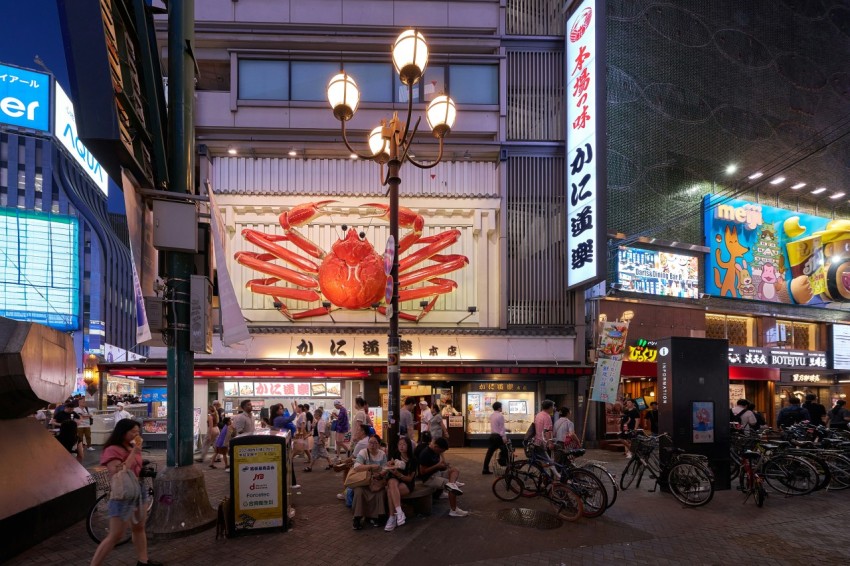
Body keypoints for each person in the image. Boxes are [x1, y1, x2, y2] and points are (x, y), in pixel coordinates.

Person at [91, 418, 162, 566]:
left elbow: (135, 467)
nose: (137, 434)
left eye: (138, 431)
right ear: (122, 432)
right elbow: (118, 471)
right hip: (123, 493)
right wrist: (135, 451)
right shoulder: (112, 449)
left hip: (138, 490)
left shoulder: (131, 446)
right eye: (133, 431)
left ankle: (143, 561)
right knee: (116, 535)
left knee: (139, 527)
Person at [418, 437, 468, 517]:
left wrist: (443, 466)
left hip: (437, 473)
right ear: (436, 447)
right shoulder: (425, 453)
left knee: (454, 470)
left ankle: (452, 484)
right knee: (452, 488)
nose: (441, 453)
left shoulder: (435, 451)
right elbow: (422, 472)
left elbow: (438, 466)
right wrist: (437, 466)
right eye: (441, 451)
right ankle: (454, 510)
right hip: (429, 478)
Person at [351, 435, 389, 530]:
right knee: (359, 492)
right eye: (370, 442)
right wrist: (371, 467)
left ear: (379, 444)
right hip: (364, 481)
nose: (372, 445)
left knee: (380, 492)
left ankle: (377, 517)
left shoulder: (382, 454)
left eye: (375, 443)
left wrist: (380, 474)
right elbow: (357, 466)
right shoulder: (363, 452)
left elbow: (385, 468)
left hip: (376, 481)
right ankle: (357, 518)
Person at [383, 434, 416, 532]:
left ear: (408, 446)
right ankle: (399, 511)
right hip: (395, 481)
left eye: (404, 444)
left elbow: (410, 479)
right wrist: (390, 464)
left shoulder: (413, 460)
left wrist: (398, 474)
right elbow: (390, 465)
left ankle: (392, 517)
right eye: (399, 444)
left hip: (407, 483)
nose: (401, 446)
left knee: (390, 491)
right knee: (392, 482)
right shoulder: (396, 455)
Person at [482, 401, 508, 475]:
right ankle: (505, 466)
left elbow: (497, 426)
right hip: (498, 437)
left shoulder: (492, 415)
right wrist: (504, 438)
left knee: (489, 453)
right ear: (499, 408)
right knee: (505, 451)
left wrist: (507, 429)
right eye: (501, 407)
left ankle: (485, 469)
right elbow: (501, 428)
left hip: (492, 436)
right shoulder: (500, 416)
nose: (502, 408)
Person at [531, 399, 557, 464]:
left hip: (537, 441)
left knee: (541, 461)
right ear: (550, 407)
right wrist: (550, 443)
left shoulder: (538, 415)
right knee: (548, 462)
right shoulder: (547, 417)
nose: (553, 408)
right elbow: (547, 431)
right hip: (544, 443)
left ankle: (543, 472)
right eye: (553, 407)